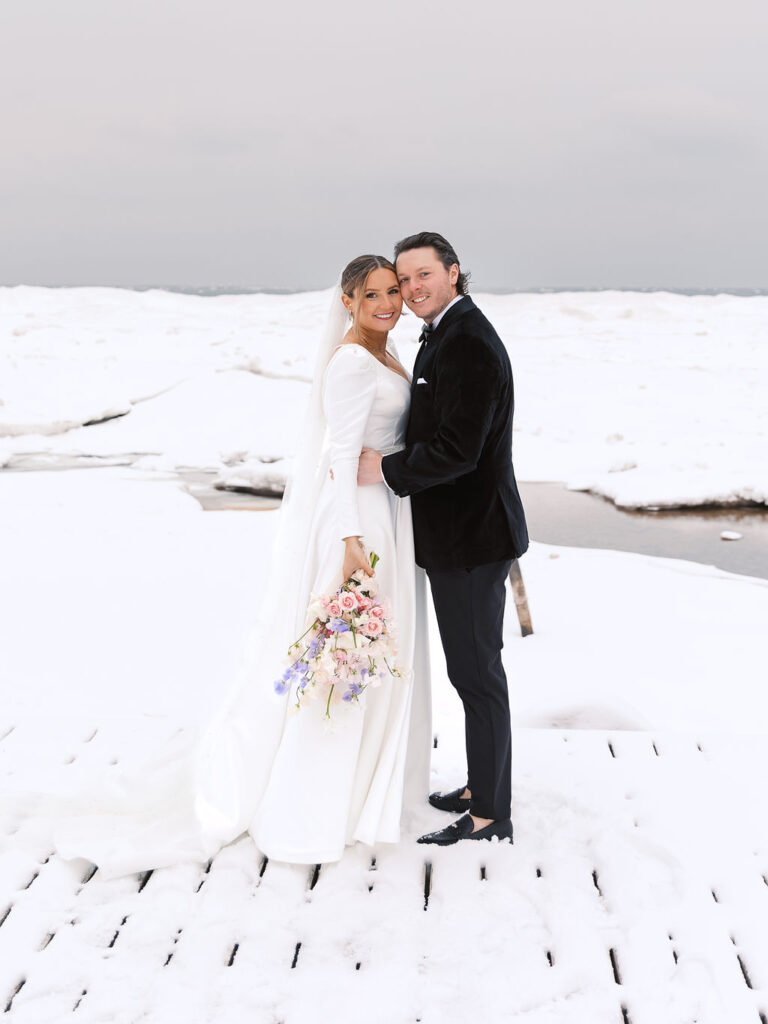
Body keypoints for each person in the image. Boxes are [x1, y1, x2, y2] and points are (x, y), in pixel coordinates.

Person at [40, 255, 432, 877]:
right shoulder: (354, 360)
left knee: (365, 651)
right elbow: (337, 455)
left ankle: (364, 790)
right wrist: (352, 540)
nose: (387, 303)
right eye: (373, 294)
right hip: (358, 519)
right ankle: (316, 802)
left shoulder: (384, 353)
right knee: (344, 654)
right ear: (347, 301)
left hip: (384, 507)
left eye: (393, 291)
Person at [358, 231, 529, 847]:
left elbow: (461, 449)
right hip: (457, 536)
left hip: (473, 540)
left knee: (479, 674)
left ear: (454, 273)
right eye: (404, 280)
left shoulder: (470, 343)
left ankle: (490, 812)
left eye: (423, 275)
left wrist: (387, 470)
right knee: (469, 671)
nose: (412, 289)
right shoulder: (445, 335)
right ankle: (480, 784)